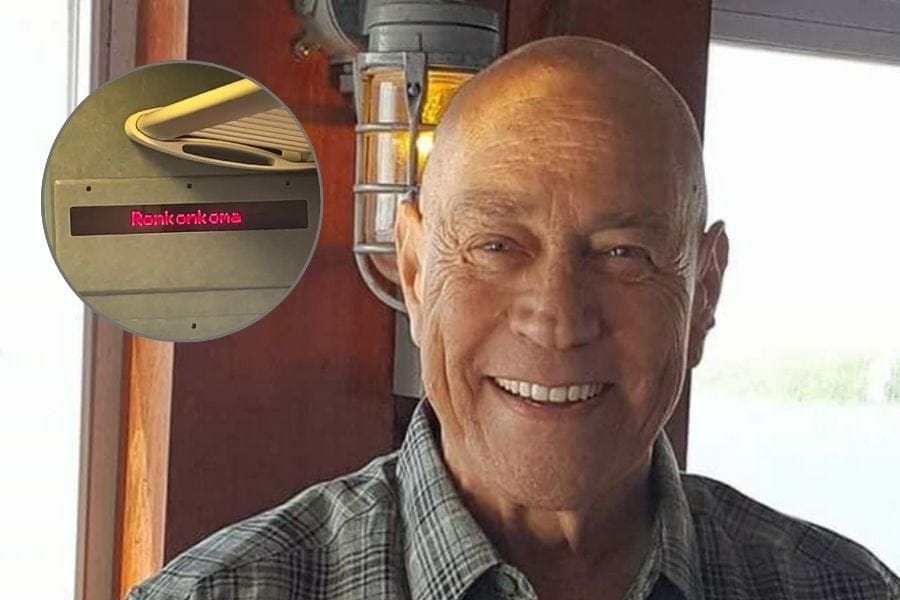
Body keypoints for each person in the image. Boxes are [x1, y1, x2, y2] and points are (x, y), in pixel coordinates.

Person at [127, 36, 900, 600]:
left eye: (623, 254)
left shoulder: (842, 589)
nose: (557, 319)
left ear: (705, 289)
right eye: (497, 246)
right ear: (415, 270)